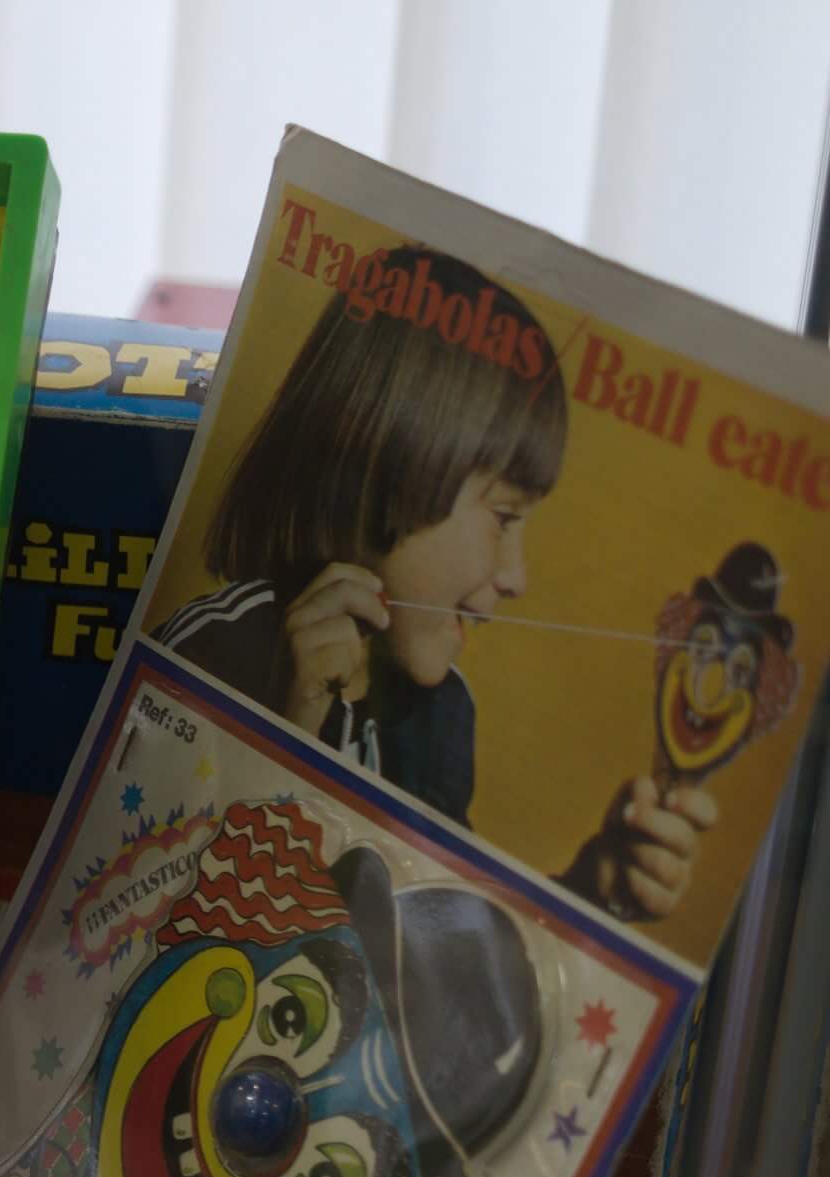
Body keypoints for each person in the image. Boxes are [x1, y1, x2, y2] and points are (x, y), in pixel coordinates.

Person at [157, 246, 713, 923]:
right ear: (389, 465)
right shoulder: (213, 653)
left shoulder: (442, 713)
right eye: (503, 518)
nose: (517, 577)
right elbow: (140, 917)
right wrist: (285, 735)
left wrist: (587, 891)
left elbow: (437, 950)